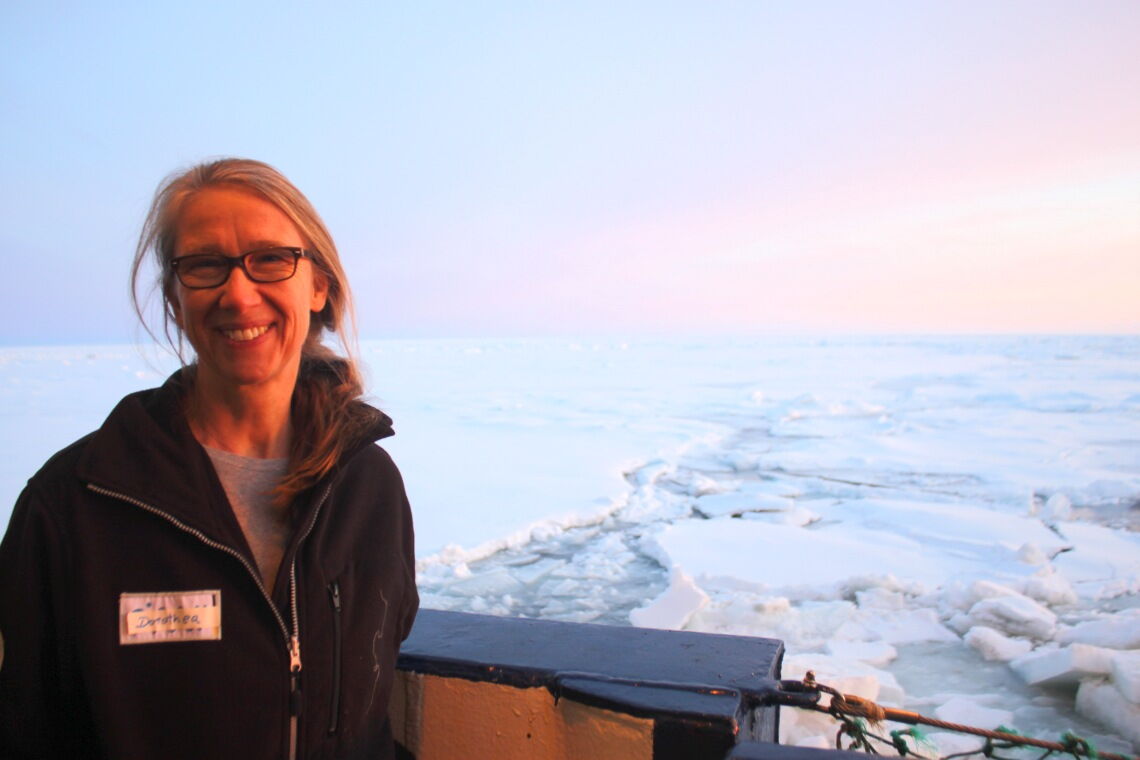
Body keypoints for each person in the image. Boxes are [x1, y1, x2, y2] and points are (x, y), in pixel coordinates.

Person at [0, 158, 418, 759]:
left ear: (318, 285)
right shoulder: (75, 506)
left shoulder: (367, 485)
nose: (239, 293)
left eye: (271, 259)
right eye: (204, 265)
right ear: (175, 296)